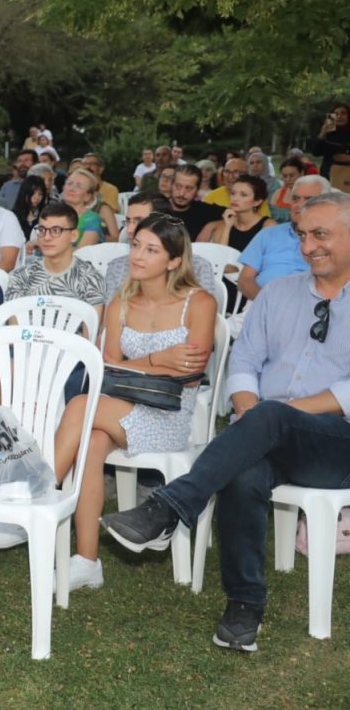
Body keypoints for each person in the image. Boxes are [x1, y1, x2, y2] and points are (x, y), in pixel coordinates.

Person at [100, 192, 350, 652]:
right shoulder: (277, 294)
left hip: (336, 443)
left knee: (270, 418)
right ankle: (244, 605)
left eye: (321, 235)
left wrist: (265, 415)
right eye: (302, 235)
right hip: (264, 429)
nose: (309, 245)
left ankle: (170, 508)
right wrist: (249, 407)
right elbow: (244, 361)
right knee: (243, 472)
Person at [49, 214, 215, 590]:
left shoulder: (199, 302)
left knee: (79, 407)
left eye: (151, 250)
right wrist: (158, 360)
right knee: (90, 441)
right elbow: (107, 365)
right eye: (136, 244)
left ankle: (38, 495)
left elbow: (189, 370)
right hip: (121, 403)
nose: (137, 255)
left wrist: (137, 366)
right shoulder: (120, 302)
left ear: (174, 261)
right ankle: (87, 561)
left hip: (170, 413)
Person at [102, 192, 217, 308]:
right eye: (128, 221)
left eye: (139, 221)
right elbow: (109, 318)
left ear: (163, 225)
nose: (130, 230)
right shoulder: (117, 266)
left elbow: (204, 317)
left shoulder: (199, 267)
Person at [6, 202, 106, 324]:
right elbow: (14, 332)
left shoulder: (91, 279)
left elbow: (90, 335)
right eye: (42, 230)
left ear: (73, 235)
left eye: (56, 230)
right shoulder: (20, 276)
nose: (46, 237)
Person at [236, 175, 329, 302]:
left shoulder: (334, 239)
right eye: (295, 198)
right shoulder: (269, 234)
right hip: (261, 305)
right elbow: (244, 280)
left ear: (326, 203)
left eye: (309, 199)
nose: (299, 205)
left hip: (312, 310)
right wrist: (269, 306)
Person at [197, 174, 274, 252]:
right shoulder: (224, 224)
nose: (235, 198)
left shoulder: (268, 225)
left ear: (257, 202)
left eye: (243, 195)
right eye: (233, 193)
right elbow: (220, 258)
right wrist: (227, 227)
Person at [167, 164, 222, 241]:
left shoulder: (206, 211)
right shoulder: (155, 208)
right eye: (178, 186)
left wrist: (212, 225)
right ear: (171, 185)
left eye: (189, 188)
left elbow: (234, 216)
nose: (182, 193)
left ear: (197, 190)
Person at [204, 157, 272, 217]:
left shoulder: (256, 197)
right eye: (227, 171)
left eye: (236, 172)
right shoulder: (211, 197)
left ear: (247, 174)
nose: (230, 176)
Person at [60, 168, 108, 248]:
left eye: (79, 186)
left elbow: (82, 252)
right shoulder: (53, 214)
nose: (72, 189)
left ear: (87, 196)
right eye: (69, 183)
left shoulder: (92, 219)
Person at [311, 103, 350, 189]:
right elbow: (316, 152)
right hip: (328, 177)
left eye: (343, 113)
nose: (339, 116)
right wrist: (323, 132)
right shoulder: (328, 135)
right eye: (336, 114)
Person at [268, 156, 305, 224]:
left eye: (292, 175)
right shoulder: (278, 193)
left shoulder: (310, 193)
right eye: (285, 176)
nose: (288, 179)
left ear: (301, 174)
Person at [11, 174, 48, 240]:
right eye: (33, 193)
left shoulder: (46, 214)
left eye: (40, 194)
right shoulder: (13, 215)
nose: (36, 197)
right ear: (24, 193)